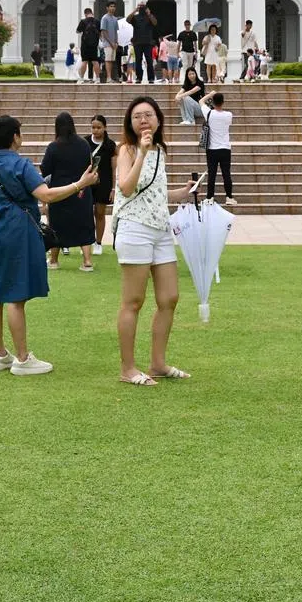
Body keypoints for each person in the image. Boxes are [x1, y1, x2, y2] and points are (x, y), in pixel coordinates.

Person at [0, 114, 97, 376]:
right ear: (15, 137)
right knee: (16, 297)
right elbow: (46, 195)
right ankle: (21, 358)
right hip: (19, 232)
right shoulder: (21, 165)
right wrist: (81, 183)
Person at [113, 96, 199, 386]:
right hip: (134, 228)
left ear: (159, 120)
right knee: (133, 301)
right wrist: (141, 153)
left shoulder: (161, 150)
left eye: (148, 115)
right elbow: (126, 188)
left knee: (169, 297)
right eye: (137, 116)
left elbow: (157, 195)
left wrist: (182, 192)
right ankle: (127, 368)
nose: (143, 120)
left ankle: (158, 363)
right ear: (130, 122)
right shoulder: (126, 149)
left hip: (160, 228)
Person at [40, 112, 96, 272]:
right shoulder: (84, 144)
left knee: (57, 225)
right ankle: (87, 261)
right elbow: (90, 165)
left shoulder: (54, 146)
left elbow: (45, 169)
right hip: (82, 191)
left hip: (60, 191)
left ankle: (53, 260)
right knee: (84, 223)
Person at [199, 91, 237, 205]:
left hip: (212, 149)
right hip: (225, 148)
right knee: (226, 174)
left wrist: (210, 94)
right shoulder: (228, 115)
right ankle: (229, 197)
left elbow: (200, 101)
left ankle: (209, 197)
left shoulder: (209, 113)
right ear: (223, 102)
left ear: (213, 102)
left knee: (212, 174)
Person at [88, 114, 118, 256]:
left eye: (99, 127)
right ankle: (87, 241)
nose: (96, 130)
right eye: (93, 127)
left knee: (100, 212)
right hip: (87, 182)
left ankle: (98, 243)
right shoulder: (85, 142)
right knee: (87, 213)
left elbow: (114, 168)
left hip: (104, 183)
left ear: (105, 128)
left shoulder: (110, 145)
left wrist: (113, 188)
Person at [127, 1, 158, 85]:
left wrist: (149, 13)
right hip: (137, 42)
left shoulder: (149, 17)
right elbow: (128, 19)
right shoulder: (135, 17)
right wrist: (135, 10)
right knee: (138, 61)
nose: (142, 8)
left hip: (148, 42)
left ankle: (151, 78)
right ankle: (139, 78)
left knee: (149, 61)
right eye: (140, 6)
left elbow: (155, 23)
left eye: (143, 6)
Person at [76, 8, 101, 84]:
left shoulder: (83, 21)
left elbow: (77, 31)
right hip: (94, 45)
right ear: (92, 13)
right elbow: (100, 32)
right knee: (95, 62)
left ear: (85, 14)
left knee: (84, 62)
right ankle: (97, 79)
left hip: (85, 45)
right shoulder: (97, 21)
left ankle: (81, 79)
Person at [99, 0, 121, 83]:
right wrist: (111, 42)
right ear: (107, 8)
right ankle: (108, 78)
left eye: (114, 6)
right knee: (108, 60)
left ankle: (110, 77)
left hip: (113, 43)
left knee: (112, 60)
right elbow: (103, 31)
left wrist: (116, 42)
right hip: (107, 43)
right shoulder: (104, 18)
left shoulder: (115, 19)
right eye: (111, 6)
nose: (112, 8)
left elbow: (116, 31)